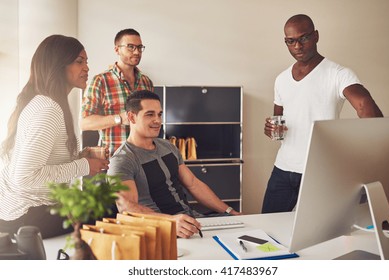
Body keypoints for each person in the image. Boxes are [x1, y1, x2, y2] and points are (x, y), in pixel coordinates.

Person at [261, 14, 383, 213]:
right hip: (283, 169)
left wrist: (374, 147)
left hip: (319, 171)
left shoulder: (338, 74)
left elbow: (363, 104)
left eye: (304, 38)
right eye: (291, 41)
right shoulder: (281, 79)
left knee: (320, 235)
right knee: (268, 230)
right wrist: (271, 129)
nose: (298, 46)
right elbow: (279, 125)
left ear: (316, 36)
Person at [0, 35, 109, 238]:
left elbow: (44, 160)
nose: (86, 68)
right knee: (109, 212)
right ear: (57, 65)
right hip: (25, 216)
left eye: (86, 61)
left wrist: (78, 157)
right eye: (79, 61)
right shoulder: (48, 109)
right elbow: (24, 177)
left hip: (27, 211)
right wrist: (84, 166)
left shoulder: (46, 103)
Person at [107, 90, 241, 238]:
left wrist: (229, 211)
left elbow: (193, 184)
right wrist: (170, 222)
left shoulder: (168, 146)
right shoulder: (122, 160)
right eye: (150, 114)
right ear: (131, 117)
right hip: (161, 230)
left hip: (191, 222)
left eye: (159, 114)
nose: (157, 120)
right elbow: (127, 209)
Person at [81, 28, 154, 157]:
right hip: (113, 162)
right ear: (117, 50)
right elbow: (84, 123)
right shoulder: (100, 81)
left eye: (139, 47)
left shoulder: (146, 82)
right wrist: (119, 118)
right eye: (130, 47)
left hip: (144, 160)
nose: (137, 52)